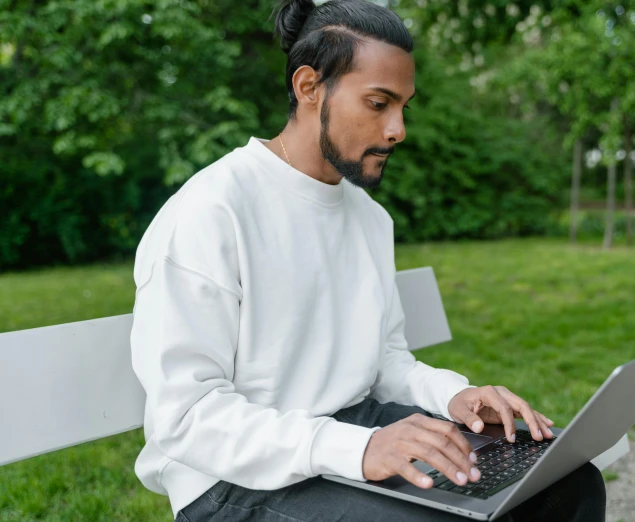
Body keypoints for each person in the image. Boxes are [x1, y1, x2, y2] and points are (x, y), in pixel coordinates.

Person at [129, 1, 606, 520]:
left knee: (566, 480)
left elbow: (384, 360)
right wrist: (358, 448)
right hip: (230, 481)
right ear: (309, 87)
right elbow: (186, 417)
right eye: (378, 103)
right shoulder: (211, 211)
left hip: (350, 429)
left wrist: (456, 396)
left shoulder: (368, 218)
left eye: (403, 106)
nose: (398, 129)